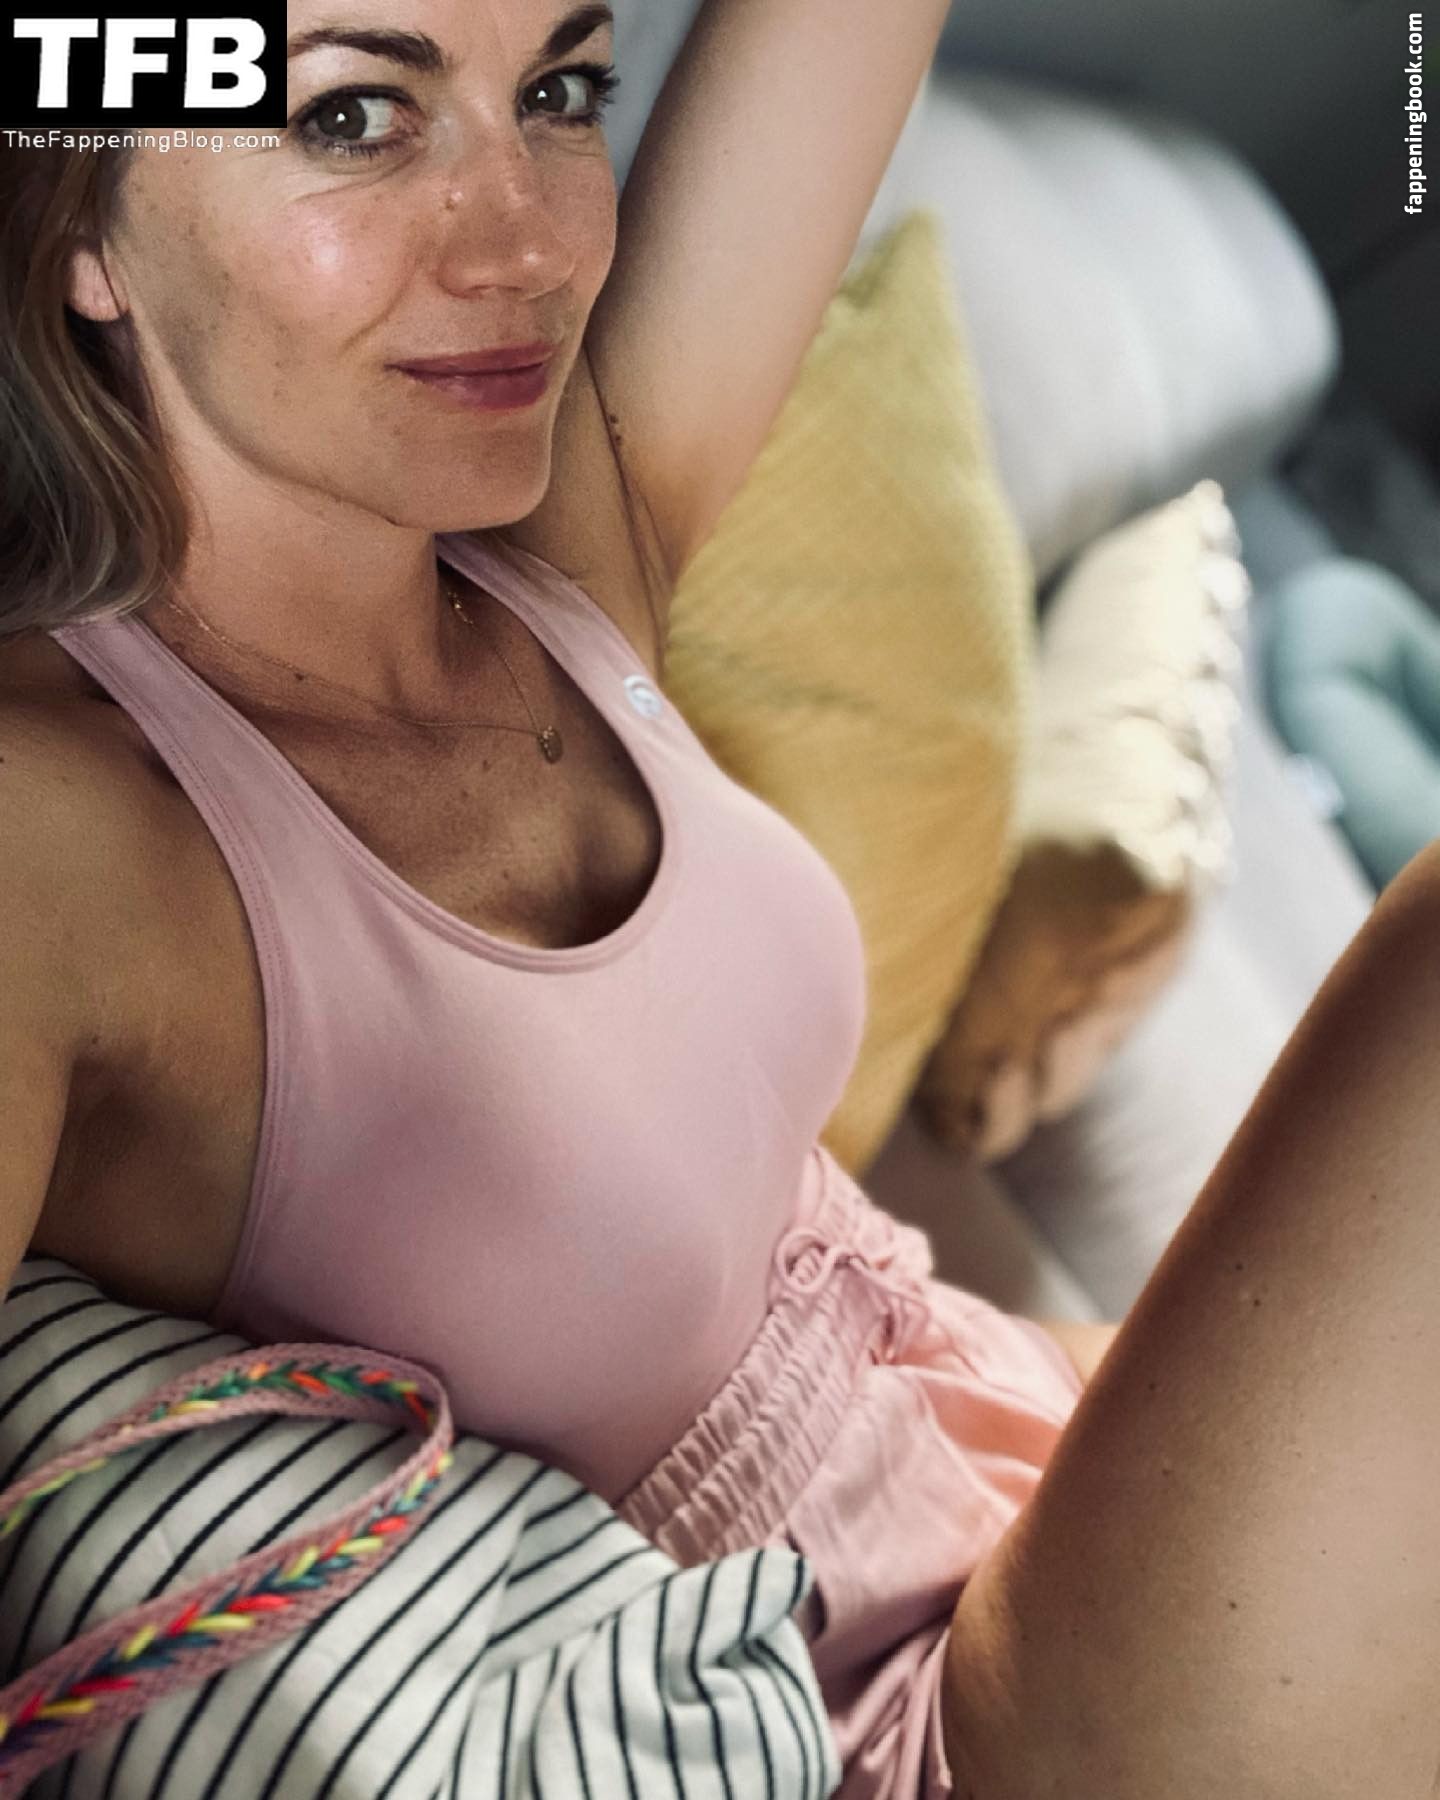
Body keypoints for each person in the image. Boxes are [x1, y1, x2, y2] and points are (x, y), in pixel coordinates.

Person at [1, 2, 1435, 1797]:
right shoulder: (57, 844)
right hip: (866, 1728)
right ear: (79, 224)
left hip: (1027, 1480)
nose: (528, 242)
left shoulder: (558, 569)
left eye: (559, 92)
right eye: (355, 119)